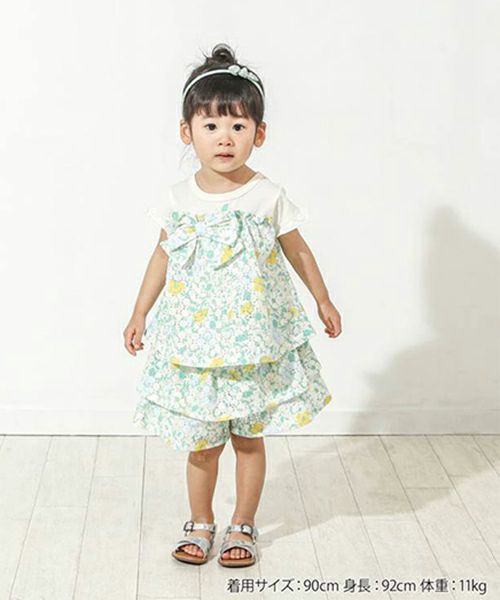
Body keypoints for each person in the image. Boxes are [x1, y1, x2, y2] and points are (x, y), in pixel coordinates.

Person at [123, 42, 342, 568]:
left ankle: (243, 523)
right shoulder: (177, 199)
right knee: (202, 444)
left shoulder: (266, 195)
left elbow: (298, 250)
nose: (225, 137)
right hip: (195, 349)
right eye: (211, 125)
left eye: (239, 126)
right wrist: (139, 312)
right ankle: (201, 521)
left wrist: (323, 298)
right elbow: (161, 257)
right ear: (187, 132)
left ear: (259, 134)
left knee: (248, 438)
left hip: (251, 346)